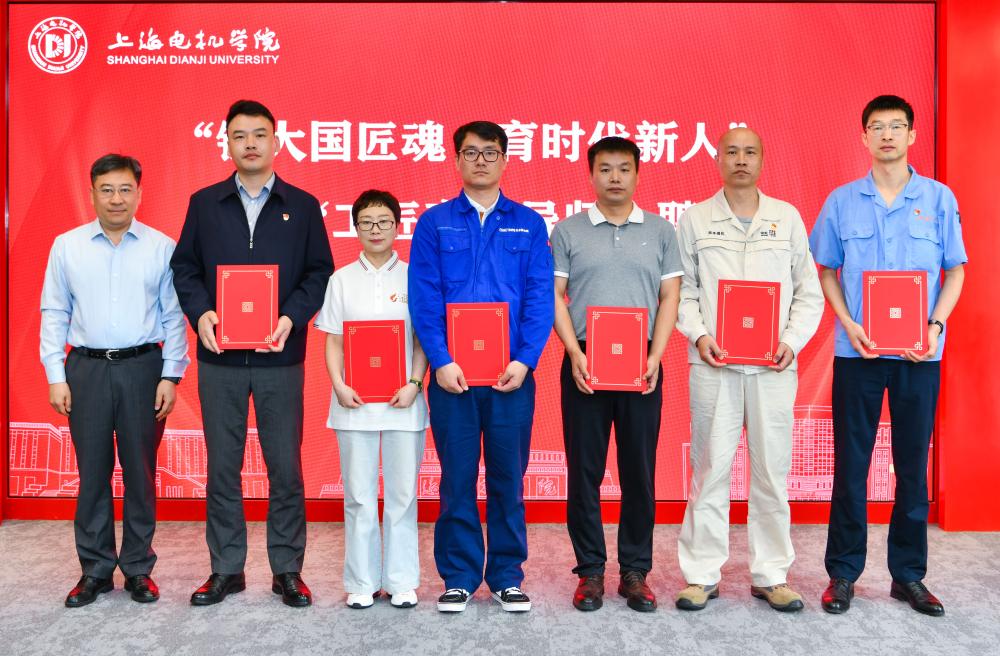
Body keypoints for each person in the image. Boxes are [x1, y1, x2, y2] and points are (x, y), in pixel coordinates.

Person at [171, 99, 333, 607]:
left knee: (285, 466)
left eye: (259, 134)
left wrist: (291, 317)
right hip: (219, 359)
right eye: (239, 135)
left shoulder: (302, 205)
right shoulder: (204, 203)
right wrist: (201, 315)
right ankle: (226, 569)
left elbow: (319, 272)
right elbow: (185, 269)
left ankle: (287, 568)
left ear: (276, 140)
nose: (250, 144)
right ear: (227, 142)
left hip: (280, 359)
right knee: (222, 466)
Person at [810, 95, 966, 617]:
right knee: (850, 468)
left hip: (920, 355)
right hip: (857, 352)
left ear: (912, 135)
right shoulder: (841, 201)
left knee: (911, 469)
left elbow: (955, 271)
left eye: (897, 126)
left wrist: (935, 324)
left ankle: (908, 575)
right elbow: (827, 269)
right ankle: (843, 574)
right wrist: (848, 322)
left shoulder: (939, 199)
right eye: (877, 127)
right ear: (864, 137)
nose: (887, 136)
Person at [675, 127, 823, 612]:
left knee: (771, 473)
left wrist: (791, 342)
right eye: (731, 152)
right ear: (717, 159)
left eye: (750, 152)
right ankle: (700, 575)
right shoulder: (696, 219)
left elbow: (808, 291)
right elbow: (685, 292)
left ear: (763, 159)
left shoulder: (786, 217)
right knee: (710, 471)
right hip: (713, 367)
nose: (740, 159)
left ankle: (771, 574)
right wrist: (699, 335)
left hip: (773, 369)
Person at [408, 121, 554, 613]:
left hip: (511, 377)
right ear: (456, 161)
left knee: (508, 478)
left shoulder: (529, 224)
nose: (480, 161)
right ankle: (460, 576)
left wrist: (525, 360)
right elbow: (424, 298)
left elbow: (539, 298)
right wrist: (442, 361)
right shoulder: (434, 224)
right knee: (456, 479)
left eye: (490, 153)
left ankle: (508, 574)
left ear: (505, 160)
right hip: (453, 380)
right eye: (470, 153)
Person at [41, 153, 190, 607]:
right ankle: (95, 570)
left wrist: (172, 375)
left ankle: (139, 568)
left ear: (140, 193)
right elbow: (54, 311)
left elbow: (174, 317)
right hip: (84, 369)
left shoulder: (161, 247)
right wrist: (55, 373)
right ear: (92, 194)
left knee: (142, 474)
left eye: (125, 189)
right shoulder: (67, 246)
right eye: (106, 189)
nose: (116, 198)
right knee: (92, 474)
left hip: (144, 368)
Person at [550, 137, 682, 612]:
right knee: (583, 472)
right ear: (591, 175)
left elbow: (671, 297)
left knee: (639, 472)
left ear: (638, 174)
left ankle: (634, 571)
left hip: (643, 361)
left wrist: (656, 354)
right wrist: (572, 352)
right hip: (585, 358)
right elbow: (554, 295)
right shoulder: (567, 231)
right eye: (605, 169)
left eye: (624, 169)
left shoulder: (662, 231)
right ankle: (588, 572)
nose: (614, 178)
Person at [315, 190, 429, 610]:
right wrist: (339, 385)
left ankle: (401, 581)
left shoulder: (415, 275)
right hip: (353, 404)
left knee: (402, 496)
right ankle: (361, 581)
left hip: (404, 403)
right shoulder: (341, 279)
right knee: (359, 497)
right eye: (366, 222)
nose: (375, 229)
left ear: (398, 226)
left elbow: (422, 339)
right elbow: (333, 340)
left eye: (383, 221)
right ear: (355, 228)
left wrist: (415, 382)